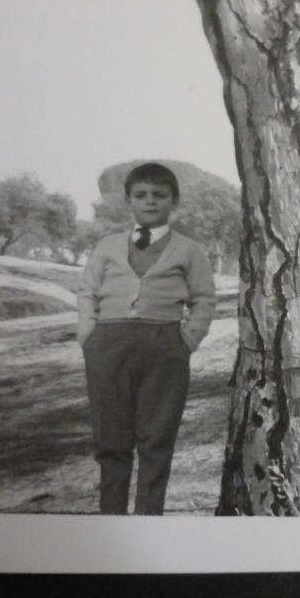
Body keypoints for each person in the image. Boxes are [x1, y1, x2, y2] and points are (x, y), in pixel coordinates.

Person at [77, 163, 217, 515]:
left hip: (164, 348)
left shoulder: (188, 250)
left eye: (159, 195)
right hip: (108, 346)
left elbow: (204, 299)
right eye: (141, 195)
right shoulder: (108, 246)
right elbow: (87, 292)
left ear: (174, 201)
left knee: (157, 439)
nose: (150, 201)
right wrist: (89, 337)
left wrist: (187, 341)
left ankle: (148, 519)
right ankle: (111, 519)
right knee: (111, 440)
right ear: (128, 201)